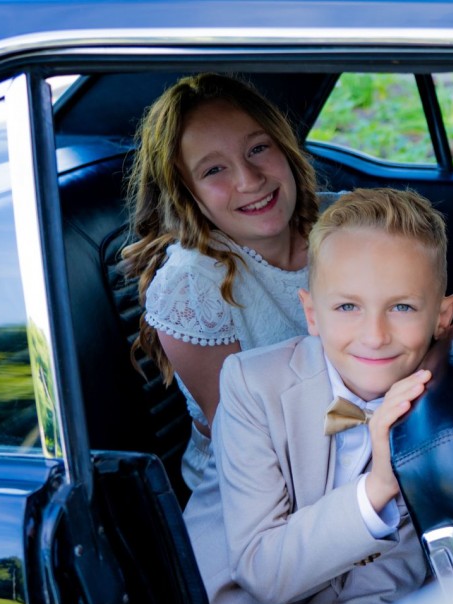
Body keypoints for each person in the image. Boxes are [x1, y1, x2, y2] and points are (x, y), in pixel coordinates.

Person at [181, 187, 453, 604]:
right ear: (311, 314)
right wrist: (377, 487)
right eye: (348, 306)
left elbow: (380, 589)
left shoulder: (428, 412)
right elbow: (260, 571)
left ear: (442, 316)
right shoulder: (252, 385)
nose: (374, 335)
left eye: (401, 307)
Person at [121, 73, 320, 494]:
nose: (249, 179)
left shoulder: (344, 228)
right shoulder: (191, 284)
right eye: (214, 169)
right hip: (259, 484)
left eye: (258, 148)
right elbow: (245, 444)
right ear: (185, 193)